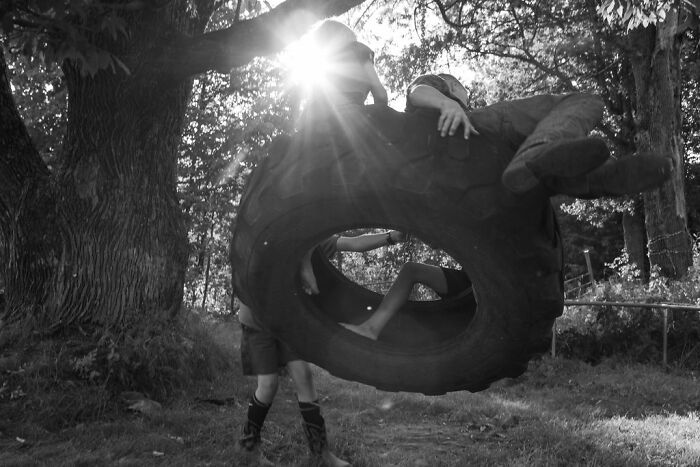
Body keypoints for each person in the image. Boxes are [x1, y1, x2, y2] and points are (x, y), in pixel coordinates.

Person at [236, 230, 405, 465]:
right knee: (268, 385)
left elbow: (352, 243)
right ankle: (248, 447)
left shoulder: (314, 238)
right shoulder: (272, 234)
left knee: (304, 377)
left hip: (288, 324)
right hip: (257, 321)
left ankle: (321, 454)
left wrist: (390, 237)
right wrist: (304, 267)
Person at [404, 73, 674, 198]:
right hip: (484, 130)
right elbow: (417, 90)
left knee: (547, 168)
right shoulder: (442, 90)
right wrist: (450, 103)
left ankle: (601, 177)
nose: (467, 98)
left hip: (495, 155)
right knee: (585, 100)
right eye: (464, 92)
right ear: (452, 84)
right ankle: (594, 175)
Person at [341, 261, 472, 340]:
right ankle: (371, 328)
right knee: (411, 270)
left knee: (411, 270)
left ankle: (371, 328)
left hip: (474, 286)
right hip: (469, 280)